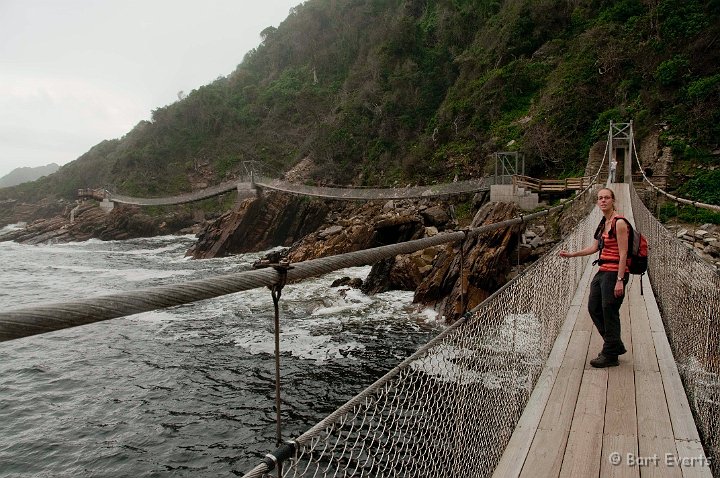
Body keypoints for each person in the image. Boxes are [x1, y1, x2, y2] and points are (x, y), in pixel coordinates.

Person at [559, 187, 629, 367]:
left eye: (606, 198)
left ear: (613, 200)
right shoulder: (602, 223)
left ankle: (610, 354)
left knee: (609, 311)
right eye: (600, 198)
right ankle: (614, 344)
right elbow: (594, 248)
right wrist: (573, 254)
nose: (603, 200)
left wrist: (620, 280)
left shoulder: (619, 223)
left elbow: (624, 253)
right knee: (593, 307)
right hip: (602, 270)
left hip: (615, 273)